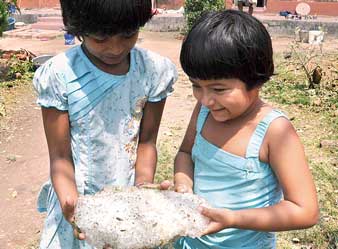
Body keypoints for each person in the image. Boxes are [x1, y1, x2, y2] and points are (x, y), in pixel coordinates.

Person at [33, 0, 177, 248]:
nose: (115, 48)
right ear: (77, 28)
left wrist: (141, 191)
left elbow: (146, 142)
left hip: (125, 199)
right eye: (100, 38)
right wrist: (72, 203)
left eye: (128, 35)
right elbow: (60, 157)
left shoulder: (153, 71)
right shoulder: (60, 75)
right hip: (76, 195)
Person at [172, 10, 319, 248]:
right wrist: (183, 184)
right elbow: (185, 154)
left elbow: (305, 211)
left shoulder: (274, 132)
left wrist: (232, 219)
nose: (206, 99)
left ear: (256, 81)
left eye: (219, 90)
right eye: (196, 86)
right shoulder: (203, 112)